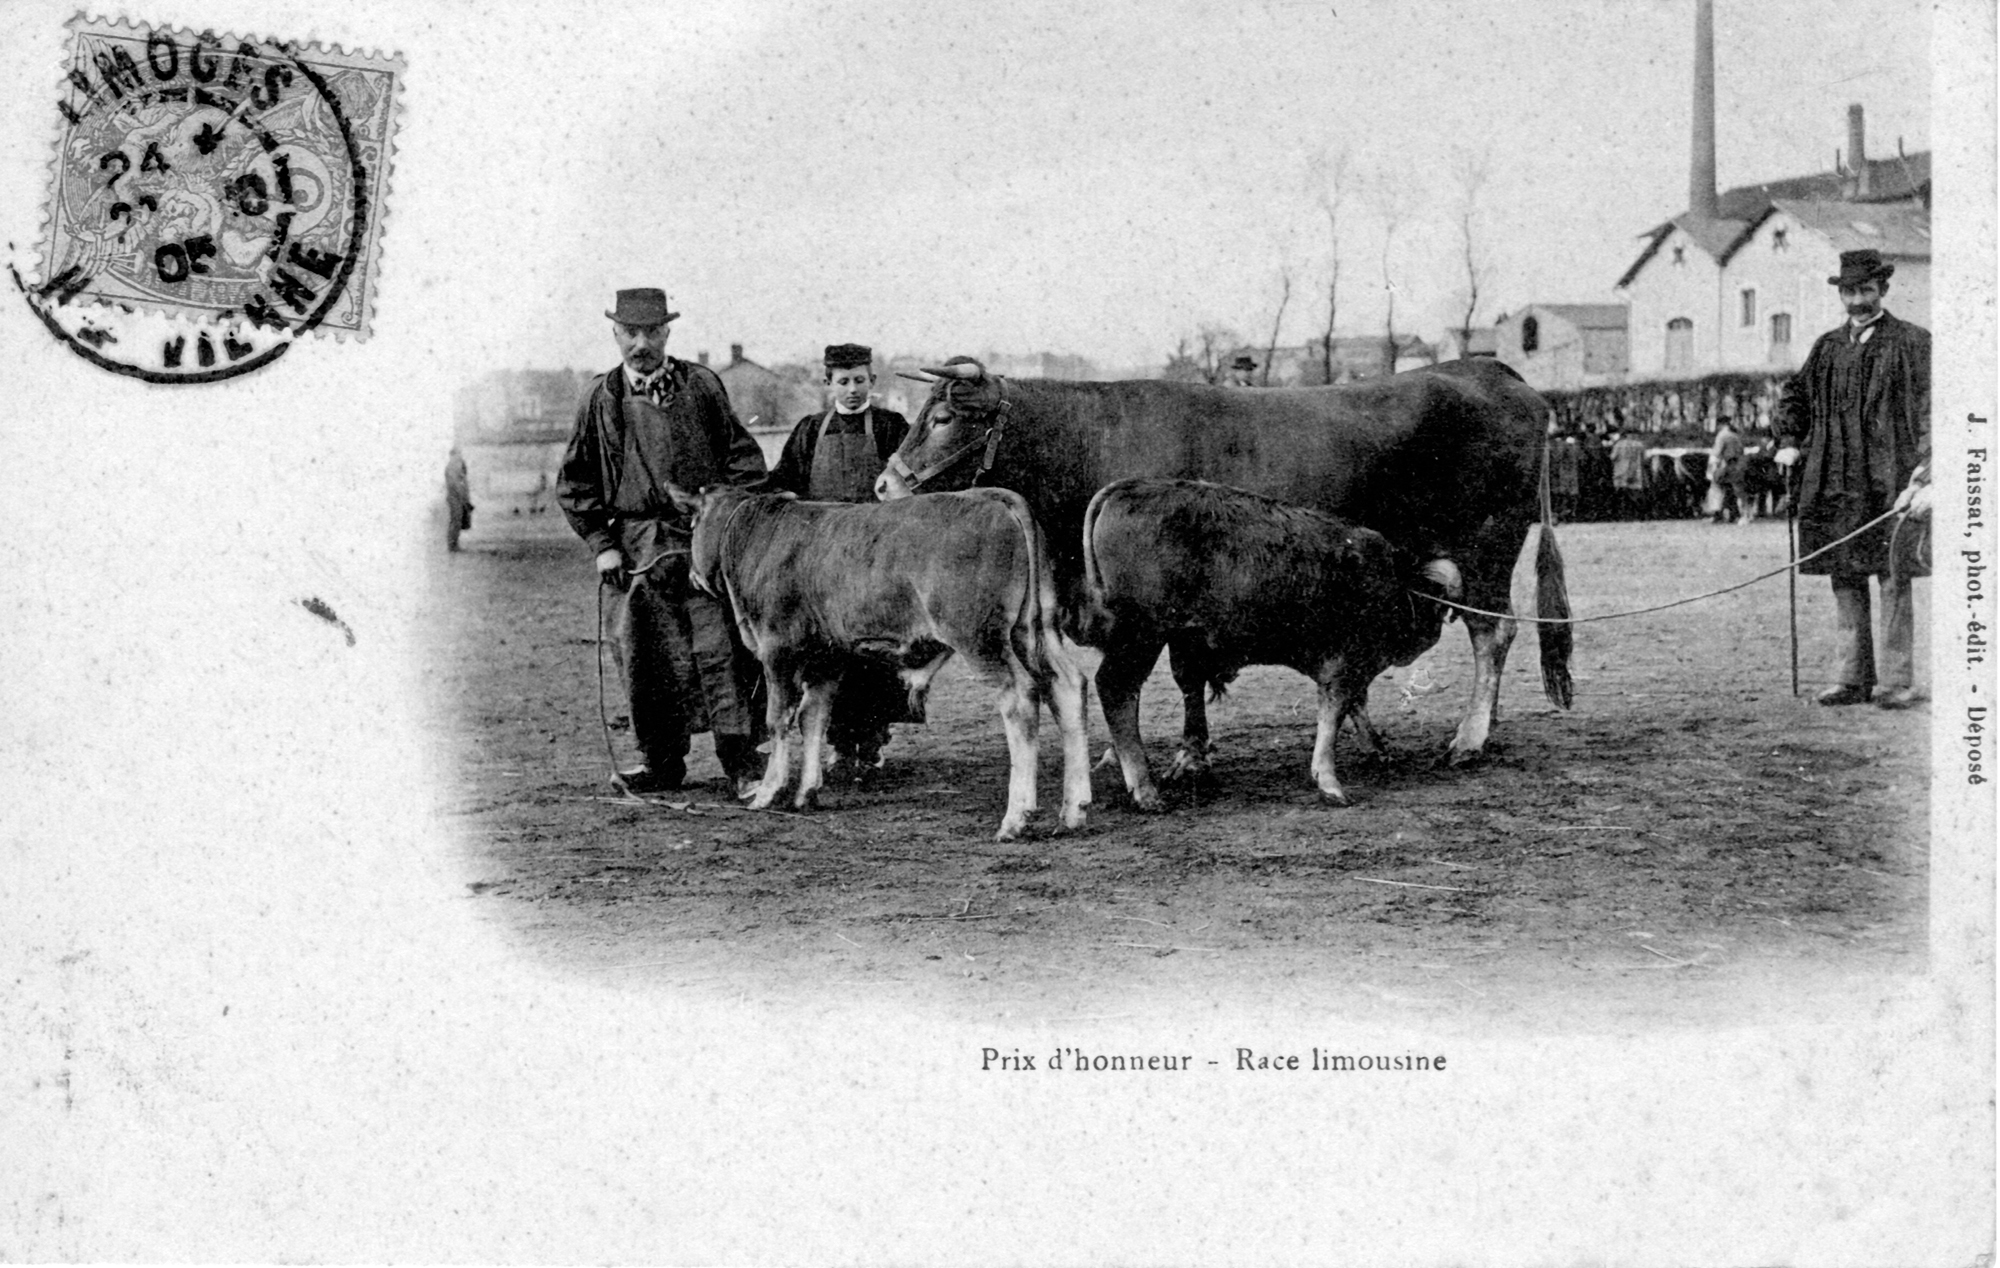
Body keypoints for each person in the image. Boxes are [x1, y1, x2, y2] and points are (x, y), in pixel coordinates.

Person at [557, 287, 771, 793]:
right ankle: (661, 763)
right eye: (630, 333)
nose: (641, 344)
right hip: (635, 549)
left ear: (667, 333)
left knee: (722, 649)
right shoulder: (600, 397)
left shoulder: (702, 386)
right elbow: (576, 482)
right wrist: (602, 544)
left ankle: (742, 763)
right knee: (645, 656)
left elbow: (743, 462)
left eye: (652, 332)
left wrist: (716, 517)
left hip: (703, 543)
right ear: (615, 334)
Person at [1774, 248, 1931, 710]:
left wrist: (1928, 470)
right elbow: (1795, 395)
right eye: (1849, 292)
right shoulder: (1827, 347)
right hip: (1836, 479)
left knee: (1893, 574)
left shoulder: (1912, 342)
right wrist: (1789, 439)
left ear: (1883, 289)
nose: (1858, 300)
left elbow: (1934, 406)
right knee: (1844, 572)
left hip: (1891, 478)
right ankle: (1852, 677)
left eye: (1866, 290)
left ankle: (1897, 680)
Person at [766, 343, 919, 779]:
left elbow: (913, 484)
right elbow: (784, 481)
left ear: (872, 381)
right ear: (828, 382)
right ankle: (837, 744)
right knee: (827, 655)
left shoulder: (892, 426)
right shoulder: (810, 430)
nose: (852, 389)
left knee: (876, 654)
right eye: (843, 381)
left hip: (876, 557)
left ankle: (870, 743)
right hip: (823, 562)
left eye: (860, 380)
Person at [1706, 414, 1747, 524]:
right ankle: (1734, 514)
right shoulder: (1735, 436)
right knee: (1732, 490)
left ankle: (1717, 514)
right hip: (1737, 465)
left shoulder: (1722, 436)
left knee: (1716, 489)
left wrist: (1711, 469)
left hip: (1726, 465)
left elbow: (1716, 453)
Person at [1609, 428, 1649, 521]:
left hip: (1621, 472)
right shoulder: (1639, 445)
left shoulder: (1619, 445)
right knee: (1636, 493)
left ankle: (1624, 515)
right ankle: (1640, 515)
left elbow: (1613, 457)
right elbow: (1645, 459)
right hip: (1636, 472)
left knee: (1622, 493)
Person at [443, 444, 473, 551]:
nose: (460, 455)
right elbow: (455, 484)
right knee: (455, 521)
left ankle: (454, 544)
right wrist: (463, 497)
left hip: (458, 497)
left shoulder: (457, 465)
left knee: (458, 521)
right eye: (458, 453)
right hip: (455, 497)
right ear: (453, 454)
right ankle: (452, 545)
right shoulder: (452, 466)